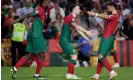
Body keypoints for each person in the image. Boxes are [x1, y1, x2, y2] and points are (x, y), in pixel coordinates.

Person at [10, 0, 49, 80]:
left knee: (29, 55)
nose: (48, 3)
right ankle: (36, 76)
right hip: (36, 35)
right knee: (42, 55)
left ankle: (14, 69)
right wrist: (16, 20)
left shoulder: (41, 9)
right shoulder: (40, 9)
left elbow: (35, 18)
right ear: (42, 3)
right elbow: (29, 14)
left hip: (32, 34)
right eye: (47, 1)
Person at [59, 4, 93, 79]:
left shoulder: (72, 19)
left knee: (73, 56)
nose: (80, 10)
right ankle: (68, 74)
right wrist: (87, 31)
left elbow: (79, 30)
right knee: (74, 56)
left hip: (66, 41)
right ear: (74, 9)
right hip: (63, 40)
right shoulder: (70, 17)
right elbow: (77, 27)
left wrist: (87, 39)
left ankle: (72, 74)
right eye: (78, 9)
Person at [87, 2, 119, 80]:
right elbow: (106, 18)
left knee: (101, 56)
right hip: (107, 37)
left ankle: (112, 72)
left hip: (107, 38)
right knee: (101, 57)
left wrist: (96, 14)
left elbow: (107, 16)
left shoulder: (115, 15)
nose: (107, 8)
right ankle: (97, 75)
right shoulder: (113, 16)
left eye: (108, 7)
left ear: (112, 7)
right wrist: (100, 15)